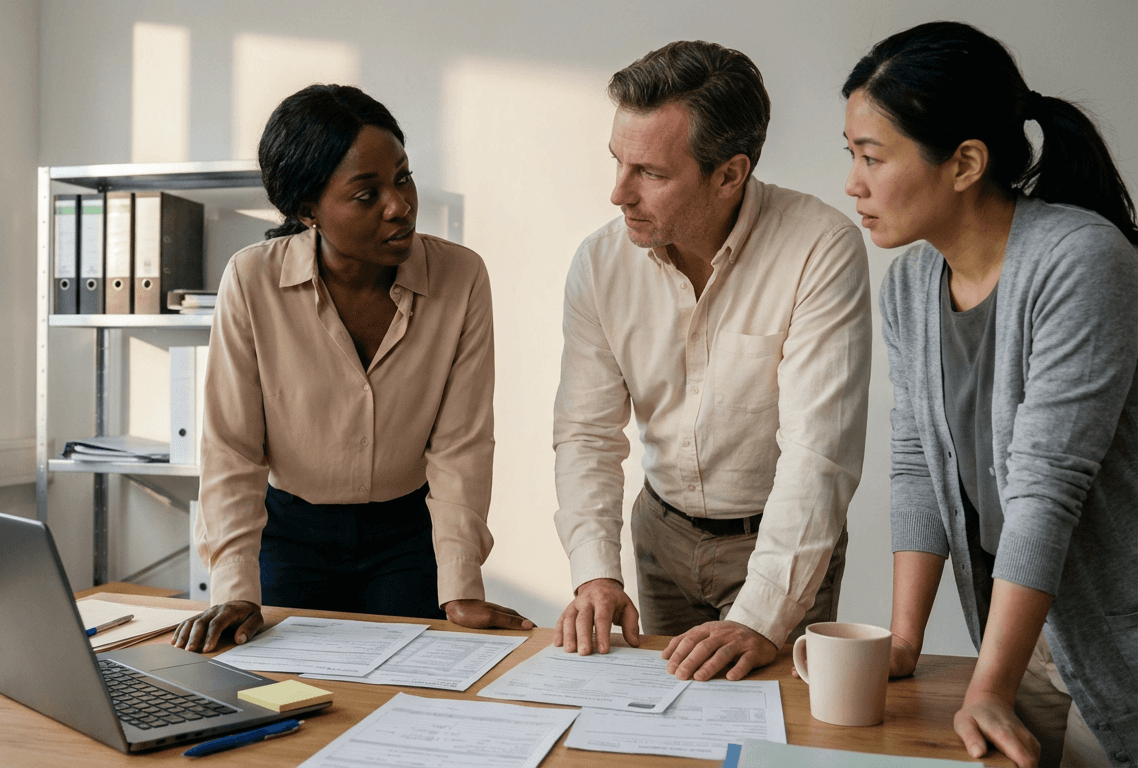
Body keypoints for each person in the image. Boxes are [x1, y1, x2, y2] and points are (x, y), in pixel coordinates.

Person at [843, 21, 1138, 768]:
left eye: (872, 157)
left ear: (966, 163)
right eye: (852, 155)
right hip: (1017, 631)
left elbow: (1046, 488)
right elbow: (916, 463)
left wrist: (989, 686)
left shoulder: (1080, 260)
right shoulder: (911, 284)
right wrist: (902, 643)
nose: (854, 182)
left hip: (1114, 634)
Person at [552, 40, 872, 683]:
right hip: (661, 537)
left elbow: (818, 454)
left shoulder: (821, 247)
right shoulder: (599, 263)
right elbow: (585, 434)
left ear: (730, 174)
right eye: (618, 162)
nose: (619, 193)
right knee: (663, 731)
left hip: (778, 548)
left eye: (651, 173)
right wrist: (595, 571)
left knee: (768, 735)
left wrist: (759, 616)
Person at [173, 84, 532, 653]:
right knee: (278, 692)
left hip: (405, 537)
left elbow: (461, 444)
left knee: (408, 696)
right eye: (367, 194)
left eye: (404, 177)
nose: (400, 205)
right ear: (307, 210)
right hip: (288, 535)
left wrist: (460, 581)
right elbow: (232, 449)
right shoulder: (252, 280)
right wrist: (234, 586)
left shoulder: (461, 277)